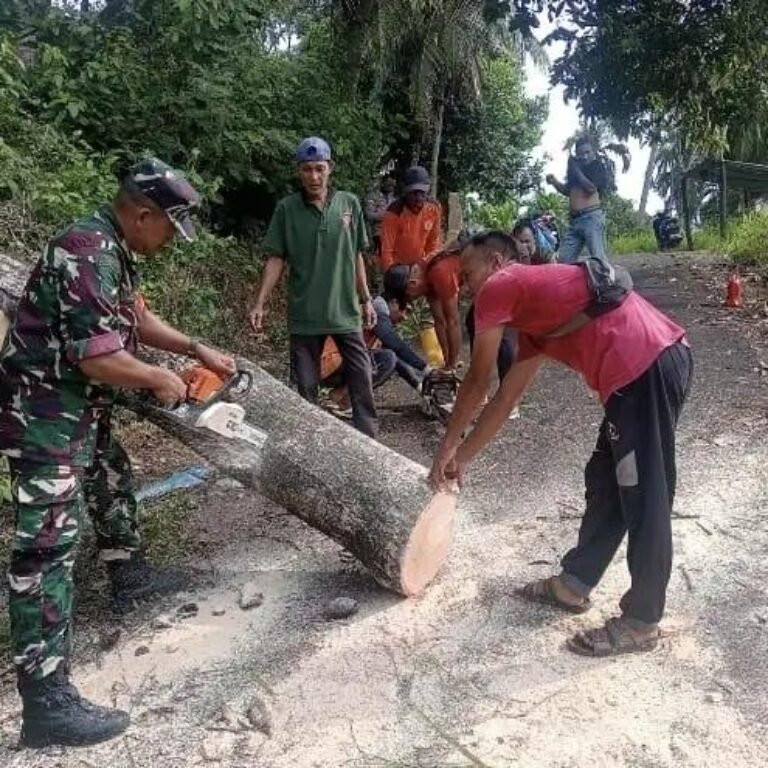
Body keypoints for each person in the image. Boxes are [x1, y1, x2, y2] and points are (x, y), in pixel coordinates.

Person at [0, 158, 236, 747]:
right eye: (167, 229)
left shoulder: (114, 249)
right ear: (141, 214)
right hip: (43, 414)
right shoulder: (87, 250)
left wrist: (194, 348)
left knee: (111, 477)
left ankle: (130, 578)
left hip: (77, 409)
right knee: (46, 548)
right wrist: (159, 379)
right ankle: (45, 698)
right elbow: (96, 356)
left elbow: (135, 316)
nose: (171, 243)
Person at [430, 232, 693, 658]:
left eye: (468, 273)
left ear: (497, 263)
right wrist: (462, 458)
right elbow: (504, 398)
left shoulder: (503, 283)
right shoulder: (538, 327)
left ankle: (642, 621)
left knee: (644, 493)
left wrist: (444, 449)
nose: (465, 287)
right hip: (637, 376)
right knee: (606, 481)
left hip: (647, 366)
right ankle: (575, 584)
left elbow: (478, 379)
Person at [249, 136, 378, 438]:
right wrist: (260, 302)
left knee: (362, 380)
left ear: (330, 168)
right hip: (305, 313)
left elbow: (356, 253)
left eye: (319, 168)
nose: (314, 177)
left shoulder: (349, 203)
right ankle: (307, 444)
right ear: (299, 172)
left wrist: (367, 298)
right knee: (305, 387)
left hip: (345, 311)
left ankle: (369, 442)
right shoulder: (287, 209)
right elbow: (276, 258)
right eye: (307, 170)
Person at [546, 137, 612, 266]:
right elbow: (568, 191)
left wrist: (576, 170)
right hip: (575, 220)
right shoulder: (574, 170)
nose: (584, 156)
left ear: (593, 152)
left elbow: (591, 188)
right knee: (563, 260)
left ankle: (608, 284)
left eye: (587, 152)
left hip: (591, 218)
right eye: (581, 153)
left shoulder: (597, 166)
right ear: (577, 154)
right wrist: (554, 182)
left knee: (598, 258)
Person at [378, 165, 443, 273]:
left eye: (422, 193)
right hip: (397, 268)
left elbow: (433, 243)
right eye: (414, 193)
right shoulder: (394, 212)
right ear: (406, 192)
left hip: (420, 266)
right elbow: (386, 251)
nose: (418, 198)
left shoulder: (434, 208)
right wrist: (391, 275)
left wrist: (425, 267)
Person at [365, 176, 397, 256]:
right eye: (389, 185)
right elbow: (369, 215)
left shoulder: (394, 200)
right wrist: (386, 216)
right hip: (377, 233)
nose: (391, 187)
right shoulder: (373, 197)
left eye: (392, 186)